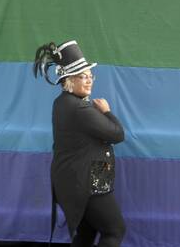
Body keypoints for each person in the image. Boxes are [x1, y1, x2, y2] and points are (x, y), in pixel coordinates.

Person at [34, 40, 126, 247]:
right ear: (69, 80)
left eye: (90, 75)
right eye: (82, 77)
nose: (89, 81)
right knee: (114, 230)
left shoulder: (63, 103)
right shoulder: (79, 109)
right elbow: (117, 134)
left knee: (86, 234)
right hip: (86, 182)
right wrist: (107, 111)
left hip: (76, 180)